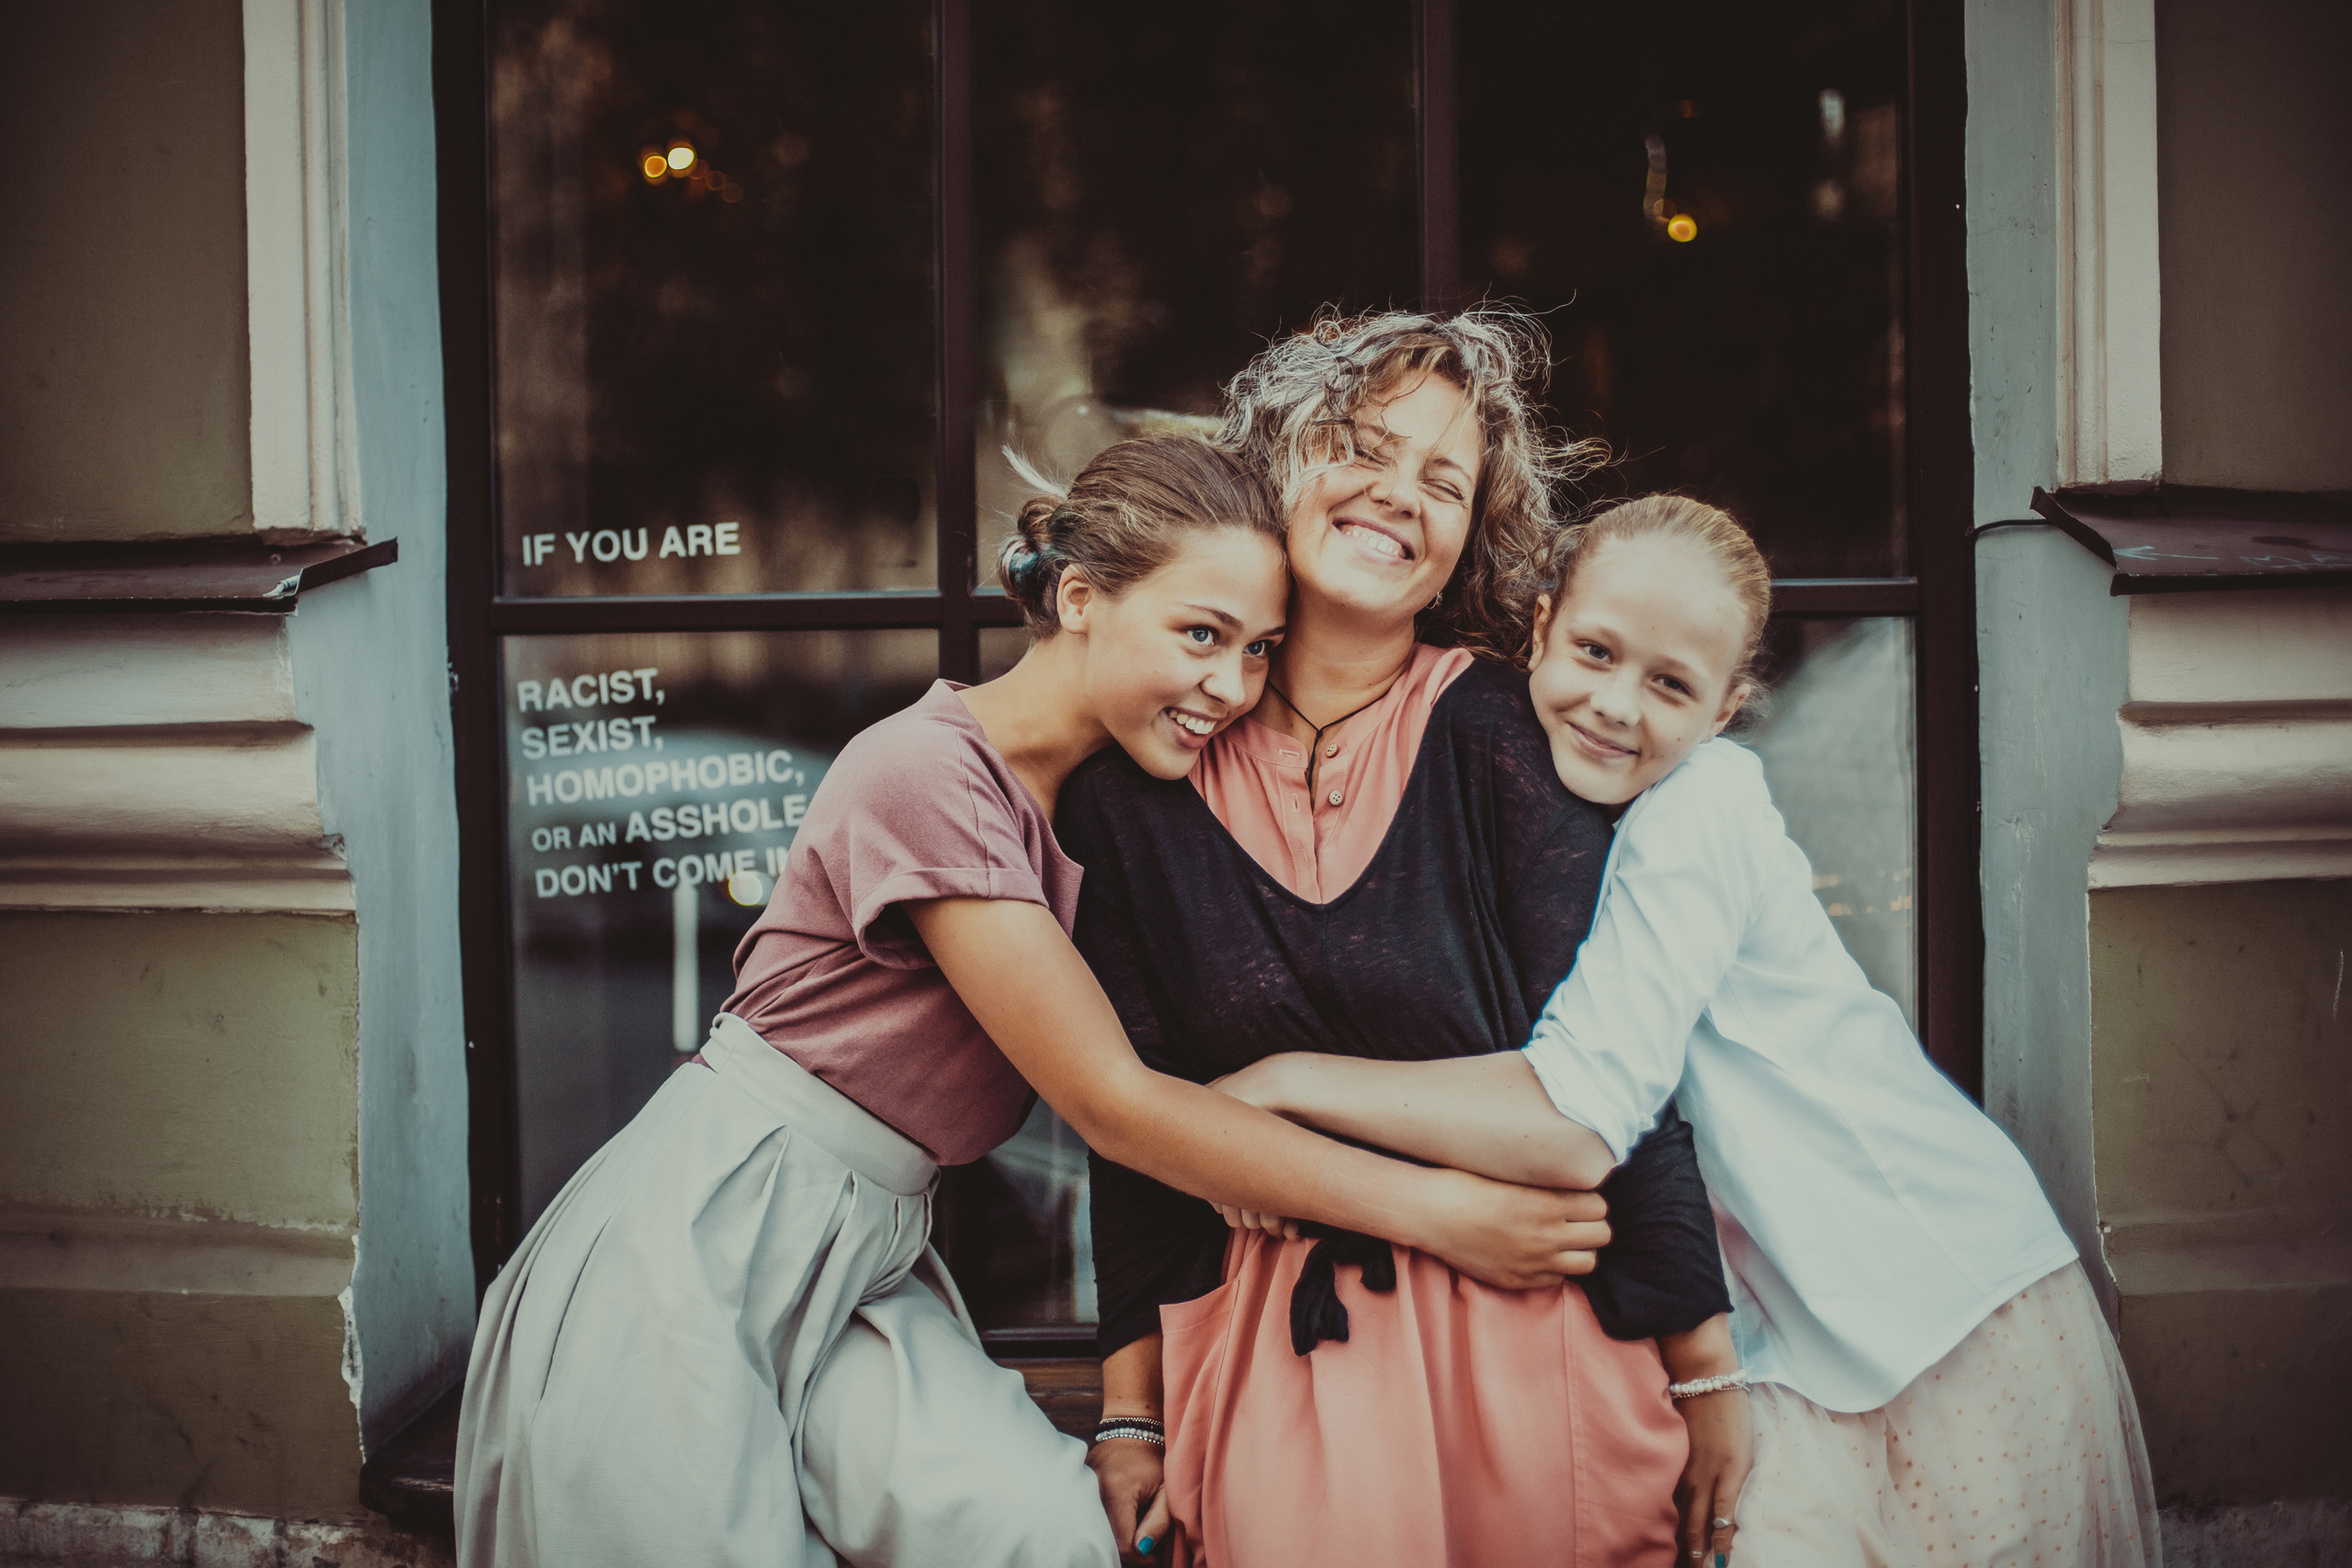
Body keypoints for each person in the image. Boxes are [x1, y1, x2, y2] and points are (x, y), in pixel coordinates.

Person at [453, 434, 1614, 1568]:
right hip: (709, 1232)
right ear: (1077, 600)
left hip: (866, 1253)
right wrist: (1443, 1214)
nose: (1228, 684)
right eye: (1198, 635)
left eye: (1258, 649)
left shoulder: (1112, 803)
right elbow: (1116, 1106)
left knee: (1046, 1536)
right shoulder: (924, 773)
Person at [1212, 494, 2163, 1568]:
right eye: (1595, 651)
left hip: (1931, 1310)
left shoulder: (1700, 809)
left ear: (1723, 710)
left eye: (1670, 684)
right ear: (1537, 631)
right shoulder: (1538, 802)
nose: (1617, 704)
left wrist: (1285, 1082)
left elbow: (1578, 1115)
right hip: (1793, 1322)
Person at [1057, 311, 1747, 1568]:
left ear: (1467, 540)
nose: (1398, 496)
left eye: (1443, 480)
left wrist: (1705, 1372)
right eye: (1362, 449)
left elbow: (1625, 1074)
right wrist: (1128, 1405)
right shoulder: (1130, 795)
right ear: (1275, 462)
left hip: (1533, 1353)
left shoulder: (1500, 733)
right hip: (1278, 1365)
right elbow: (1137, 1142)